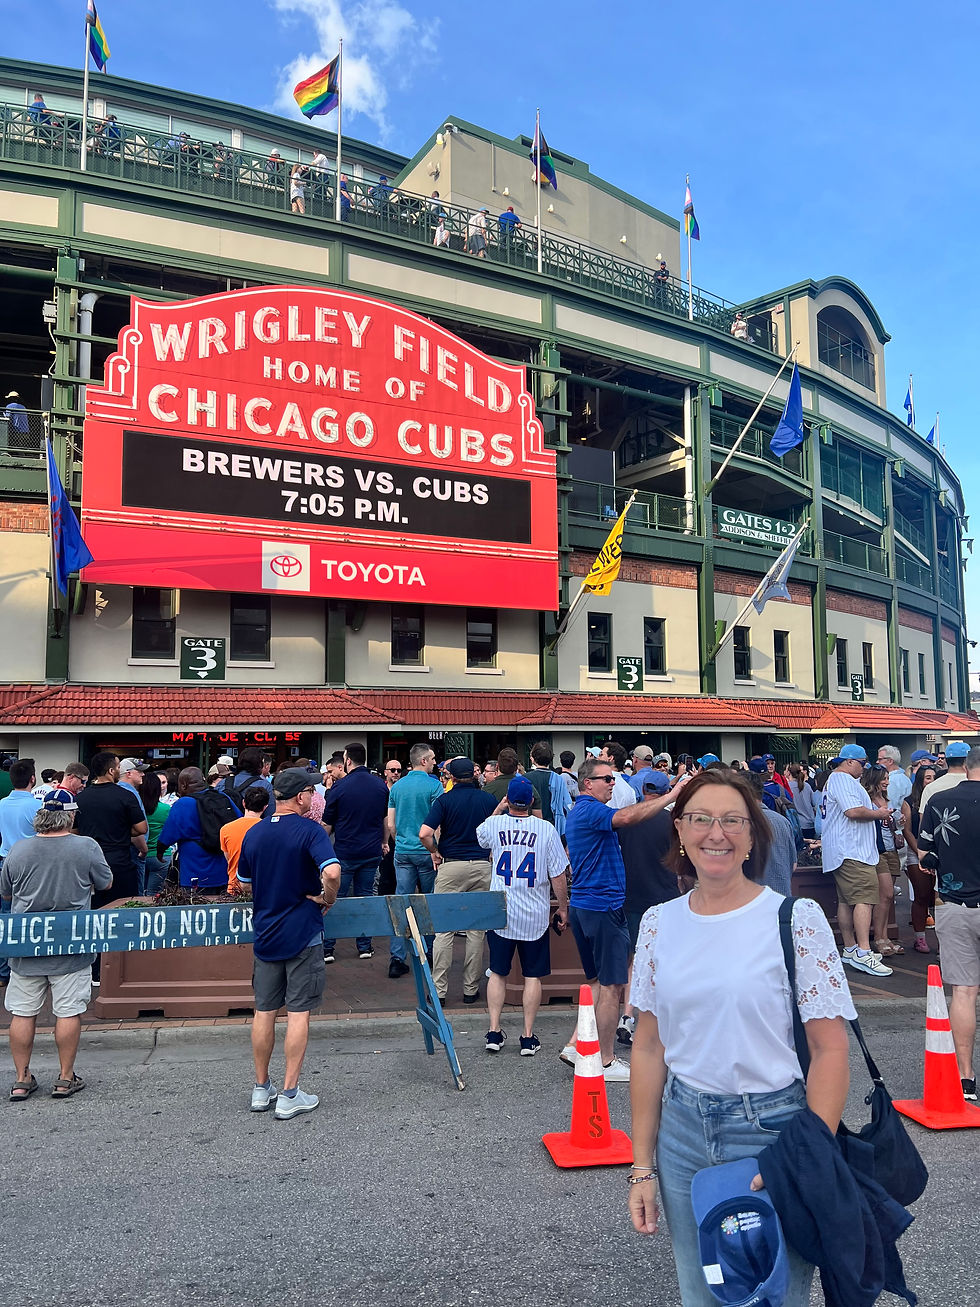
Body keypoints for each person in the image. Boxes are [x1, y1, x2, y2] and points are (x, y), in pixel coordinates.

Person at [627, 769, 855, 1306]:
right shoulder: (659, 923)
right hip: (682, 1131)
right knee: (702, 1291)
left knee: (772, 1293)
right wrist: (641, 1166)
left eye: (733, 820)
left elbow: (830, 1048)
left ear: (754, 835)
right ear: (679, 832)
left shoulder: (794, 918)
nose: (716, 834)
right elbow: (649, 1046)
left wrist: (807, 1156)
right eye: (700, 819)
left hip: (773, 1130)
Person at [561, 755, 681, 1081]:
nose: (613, 783)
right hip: (602, 907)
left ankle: (576, 1045)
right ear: (588, 783)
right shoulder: (591, 809)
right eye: (607, 779)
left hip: (588, 905)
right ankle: (606, 1059)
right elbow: (627, 817)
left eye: (613, 778)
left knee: (599, 983)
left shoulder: (582, 811)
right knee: (613, 986)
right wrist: (671, 796)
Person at [237, 769, 340, 1119]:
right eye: (311, 792)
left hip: (266, 931)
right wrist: (327, 898)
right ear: (300, 797)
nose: (313, 798)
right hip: (303, 932)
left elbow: (244, 883)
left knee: (263, 1012)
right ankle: (290, 1093)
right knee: (298, 1013)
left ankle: (260, 1087)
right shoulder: (311, 831)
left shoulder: (254, 833)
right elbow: (333, 872)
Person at [2, 797, 113, 1101]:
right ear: (71, 816)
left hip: (26, 944)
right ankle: (65, 1077)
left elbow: (6, 892)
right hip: (72, 941)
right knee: (68, 1012)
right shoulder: (86, 846)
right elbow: (105, 882)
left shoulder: (19, 849)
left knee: (23, 1013)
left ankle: (22, 1078)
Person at [477, 777, 569, 1055]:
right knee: (532, 976)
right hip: (534, 912)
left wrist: (498, 808)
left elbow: (480, 834)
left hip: (502, 910)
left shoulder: (495, 824)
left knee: (498, 973)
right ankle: (527, 1036)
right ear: (531, 801)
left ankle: (494, 1031)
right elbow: (558, 875)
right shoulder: (546, 829)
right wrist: (563, 907)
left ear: (508, 799)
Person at [917, 744, 980, 1101]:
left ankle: (966, 1078)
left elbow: (925, 855)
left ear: (966, 768)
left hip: (956, 904)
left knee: (964, 992)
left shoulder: (940, 801)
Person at [420, 757, 497, 1004]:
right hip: (482, 865)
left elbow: (424, 833)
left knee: (444, 929)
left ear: (451, 777)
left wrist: (435, 850)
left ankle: (439, 991)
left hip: (452, 865)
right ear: (475, 775)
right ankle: (470, 989)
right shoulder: (487, 799)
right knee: (476, 931)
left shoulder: (445, 800)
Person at [818, 745, 892, 976]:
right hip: (852, 850)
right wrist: (879, 814)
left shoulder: (843, 780)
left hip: (847, 850)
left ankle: (851, 948)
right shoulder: (841, 779)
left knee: (846, 900)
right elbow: (853, 811)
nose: (865, 768)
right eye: (862, 763)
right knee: (864, 899)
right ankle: (862, 950)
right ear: (849, 761)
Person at [321, 742, 389, 963]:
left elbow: (327, 824)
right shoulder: (380, 786)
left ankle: (328, 947)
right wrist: (384, 841)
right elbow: (384, 819)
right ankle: (364, 945)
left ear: (347, 760)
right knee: (365, 897)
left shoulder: (339, 788)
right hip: (371, 851)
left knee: (334, 899)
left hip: (345, 851)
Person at [386, 744, 443, 978]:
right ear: (423, 761)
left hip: (403, 849)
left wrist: (398, 841)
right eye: (432, 759)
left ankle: (397, 956)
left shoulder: (397, 787)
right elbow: (436, 825)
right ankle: (428, 953)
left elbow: (391, 823)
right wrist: (434, 850)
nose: (434, 763)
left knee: (402, 901)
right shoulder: (434, 785)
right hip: (425, 850)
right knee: (427, 902)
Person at [73, 753, 147, 904]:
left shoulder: (80, 798)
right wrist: (123, 830)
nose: (119, 770)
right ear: (111, 771)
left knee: (94, 908)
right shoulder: (126, 796)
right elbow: (142, 828)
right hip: (120, 862)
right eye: (118, 767)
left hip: (89, 862)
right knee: (123, 906)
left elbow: (74, 831)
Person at [158, 767, 240, 891]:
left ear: (184, 785)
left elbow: (167, 836)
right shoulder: (223, 797)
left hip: (194, 872)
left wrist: (160, 852)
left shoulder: (183, 804)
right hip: (223, 870)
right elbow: (239, 821)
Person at [861, 765, 906, 958]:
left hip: (891, 848)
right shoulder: (867, 800)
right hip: (877, 849)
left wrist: (898, 821)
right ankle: (879, 937)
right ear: (875, 780)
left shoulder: (886, 799)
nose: (887, 782)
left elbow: (892, 824)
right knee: (885, 894)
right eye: (884, 779)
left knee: (888, 897)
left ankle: (885, 936)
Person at [902, 764, 938, 953]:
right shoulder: (909, 801)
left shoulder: (940, 797)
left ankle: (942, 939)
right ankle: (920, 938)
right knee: (921, 894)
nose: (931, 781)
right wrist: (920, 852)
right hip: (915, 852)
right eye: (927, 777)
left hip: (937, 852)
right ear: (920, 781)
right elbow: (907, 831)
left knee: (937, 897)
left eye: (934, 777)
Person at [220, 786, 270, 895]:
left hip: (234, 887)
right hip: (260, 889)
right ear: (265, 807)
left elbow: (229, 858)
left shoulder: (226, 829)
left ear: (244, 803)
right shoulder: (270, 830)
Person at [526, 739, 573, 833]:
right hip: (553, 825)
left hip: (529, 826)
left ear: (533, 758)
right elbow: (567, 804)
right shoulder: (558, 779)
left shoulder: (525, 779)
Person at [142, 770, 173, 895]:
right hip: (161, 856)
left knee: (139, 892)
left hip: (139, 855)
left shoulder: (136, 809)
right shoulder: (166, 809)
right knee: (154, 894)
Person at [922, 739, 970, 806]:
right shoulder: (974, 785)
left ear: (946, 760)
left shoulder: (931, 787)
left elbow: (923, 815)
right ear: (967, 761)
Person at [599, 742, 637, 810]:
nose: (597, 758)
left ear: (610, 758)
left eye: (601, 755)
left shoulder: (598, 782)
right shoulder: (629, 790)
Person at [876, 744, 912, 810]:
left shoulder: (891, 781)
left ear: (890, 761)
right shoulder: (905, 778)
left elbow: (890, 807)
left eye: (880, 759)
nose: (877, 762)